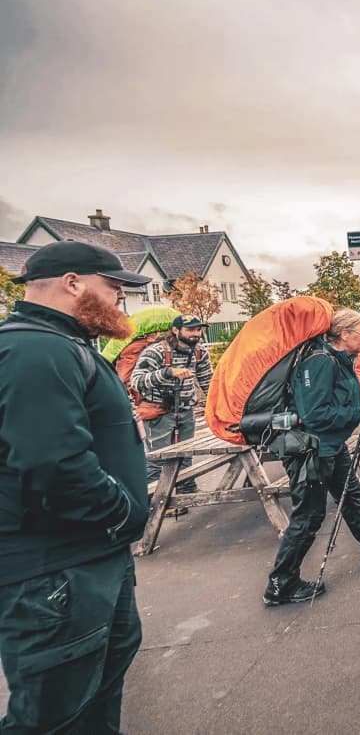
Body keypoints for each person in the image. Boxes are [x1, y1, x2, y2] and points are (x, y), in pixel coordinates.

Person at [0, 241, 151, 732]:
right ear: (72, 283)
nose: (121, 298)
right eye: (114, 287)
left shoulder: (60, 344)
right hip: (55, 569)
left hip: (85, 558)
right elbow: (54, 464)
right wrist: (121, 514)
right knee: (53, 714)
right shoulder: (35, 350)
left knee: (93, 699)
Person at [264, 309, 360, 605]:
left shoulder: (338, 360)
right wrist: (357, 413)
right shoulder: (320, 362)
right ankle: (280, 584)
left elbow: (334, 400)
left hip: (329, 445)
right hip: (311, 449)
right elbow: (314, 414)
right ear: (344, 334)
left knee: (352, 497)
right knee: (309, 516)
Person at [131, 313, 214, 511]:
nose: (196, 334)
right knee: (158, 459)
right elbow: (137, 381)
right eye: (190, 330)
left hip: (185, 410)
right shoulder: (156, 351)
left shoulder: (199, 352)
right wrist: (168, 372)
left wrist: (216, 405)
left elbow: (208, 381)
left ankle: (186, 492)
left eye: (198, 329)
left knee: (186, 454)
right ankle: (155, 503)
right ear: (176, 330)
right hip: (158, 412)